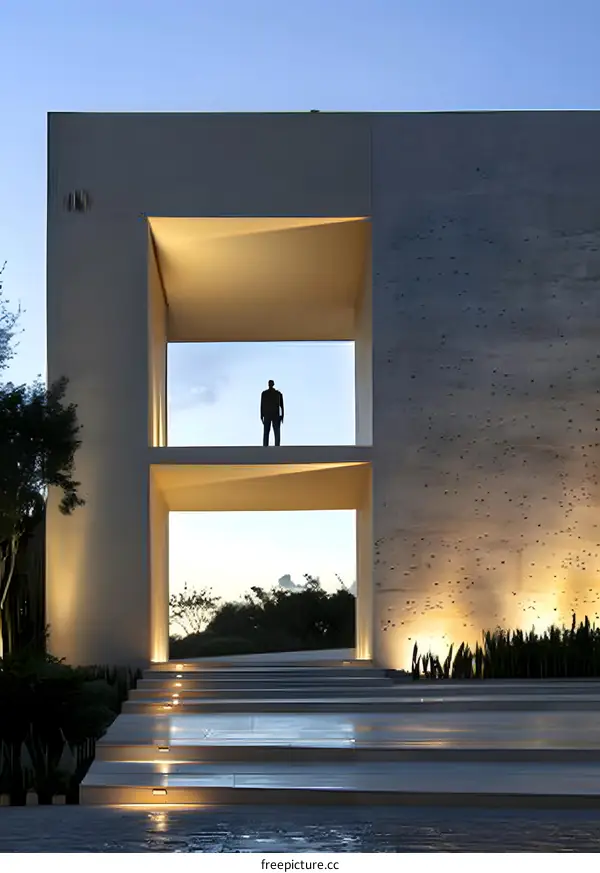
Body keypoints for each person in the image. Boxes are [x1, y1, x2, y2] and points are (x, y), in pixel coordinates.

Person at [261, 380, 284, 446]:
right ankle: (265, 445)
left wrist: (282, 416)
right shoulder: (264, 394)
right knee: (266, 432)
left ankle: (277, 445)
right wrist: (261, 415)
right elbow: (262, 405)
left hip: (275, 415)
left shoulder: (278, 394)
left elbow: (281, 406)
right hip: (267, 415)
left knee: (276, 432)